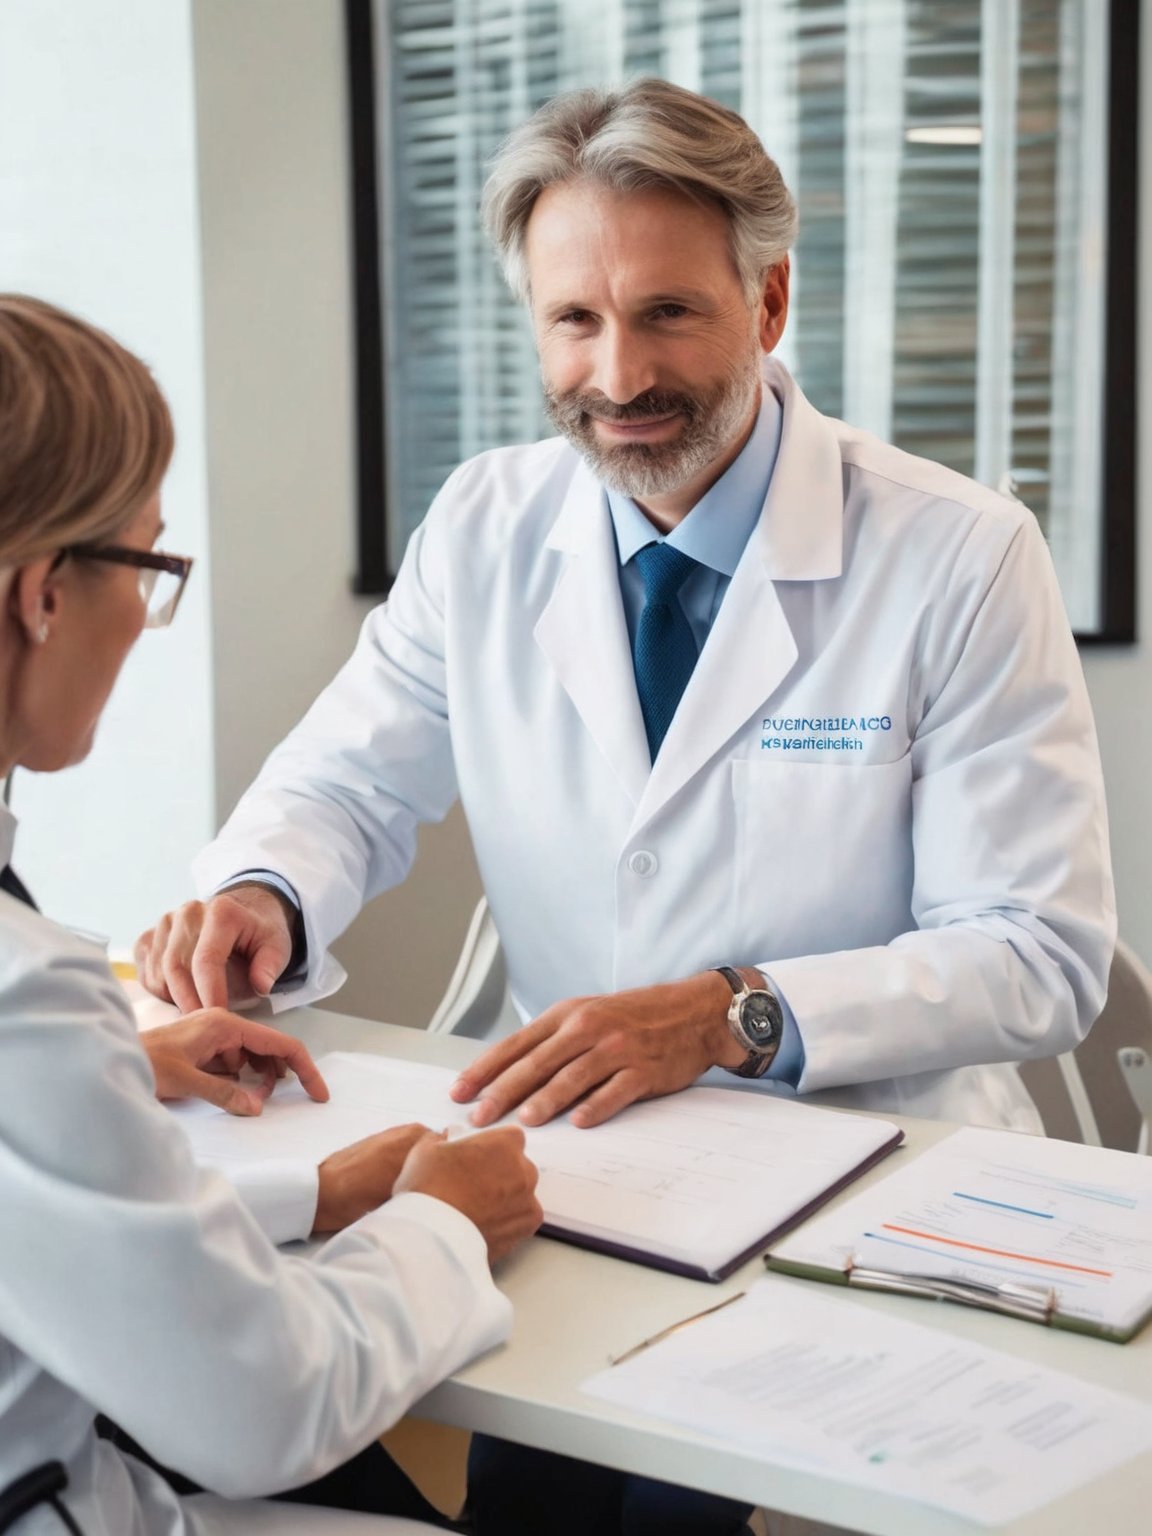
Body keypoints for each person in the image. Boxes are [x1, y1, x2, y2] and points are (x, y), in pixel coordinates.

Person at [137, 79, 1115, 1535]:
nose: (615, 375)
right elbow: (347, 777)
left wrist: (731, 1013)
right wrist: (263, 893)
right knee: (533, 1481)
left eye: (667, 314)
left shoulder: (957, 555)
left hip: (869, 1174)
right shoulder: (488, 522)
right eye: (573, 321)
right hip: (579, 1170)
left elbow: (1039, 952)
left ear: (770, 299)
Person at [0, 292, 542, 1536]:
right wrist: (439, 1223)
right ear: (41, 595)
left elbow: (62, 1234)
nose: (146, 612)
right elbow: (262, 1404)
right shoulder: (28, 996)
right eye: (148, 564)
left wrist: (308, 1197)